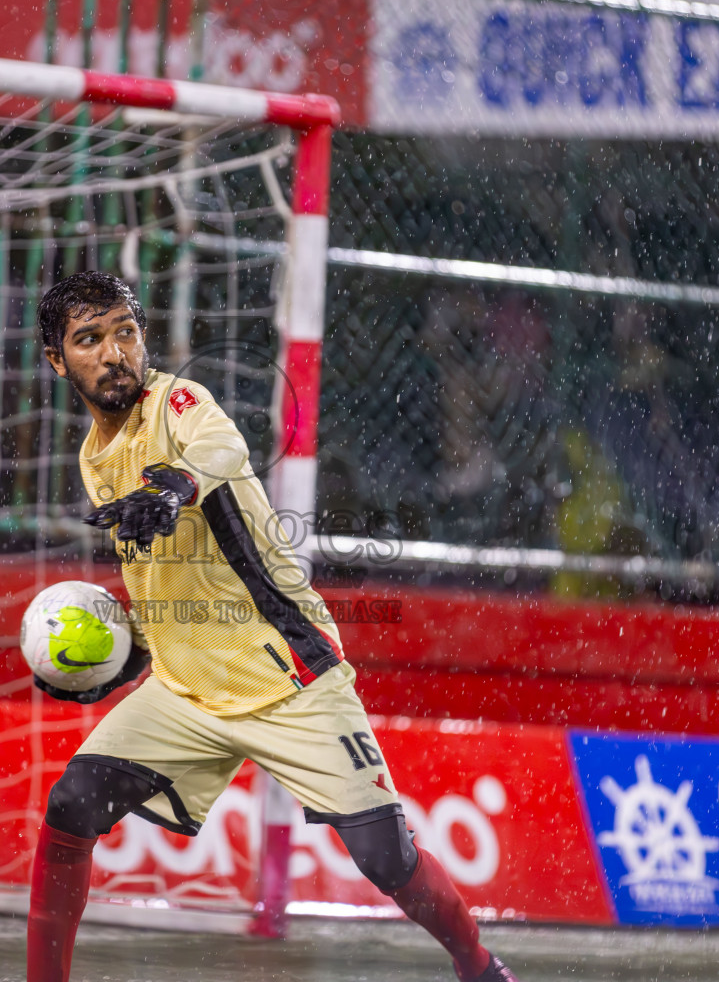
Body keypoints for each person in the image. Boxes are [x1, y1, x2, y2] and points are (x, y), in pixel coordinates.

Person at [26, 271, 516, 982]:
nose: (113, 353)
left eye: (124, 332)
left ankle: (478, 965)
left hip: (292, 678)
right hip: (186, 692)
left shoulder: (179, 402)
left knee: (387, 858)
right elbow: (165, 585)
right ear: (57, 360)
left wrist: (174, 485)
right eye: (89, 340)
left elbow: (222, 450)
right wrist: (125, 660)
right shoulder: (94, 460)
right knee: (70, 806)